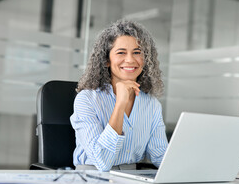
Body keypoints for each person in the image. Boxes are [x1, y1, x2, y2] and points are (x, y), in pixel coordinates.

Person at [70, 19, 168, 171]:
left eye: (137, 52)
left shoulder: (152, 105)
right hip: (92, 180)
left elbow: (160, 155)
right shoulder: (86, 99)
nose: (130, 60)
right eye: (121, 52)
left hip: (133, 179)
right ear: (107, 60)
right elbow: (102, 161)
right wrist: (120, 103)